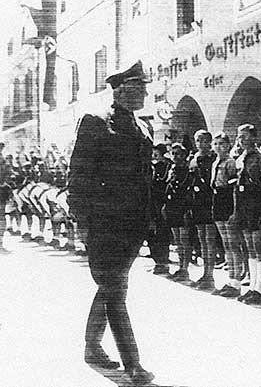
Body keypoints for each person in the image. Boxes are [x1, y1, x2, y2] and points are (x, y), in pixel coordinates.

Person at [68, 61, 155, 385]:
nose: (145, 92)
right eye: (139, 87)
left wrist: (151, 220)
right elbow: (79, 174)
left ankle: (92, 345)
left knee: (112, 287)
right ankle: (133, 364)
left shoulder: (144, 128)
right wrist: (81, 221)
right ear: (120, 89)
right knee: (115, 290)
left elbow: (146, 179)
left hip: (134, 225)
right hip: (104, 222)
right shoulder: (95, 122)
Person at [233, 124, 261, 305]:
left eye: (246, 136)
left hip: (257, 205)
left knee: (259, 247)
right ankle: (253, 287)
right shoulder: (241, 158)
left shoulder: (260, 159)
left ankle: (260, 289)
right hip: (244, 206)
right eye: (240, 137)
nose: (242, 140)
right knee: (250, 247)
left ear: (254, 138)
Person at [210, 132, 241, 297]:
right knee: (226, 244)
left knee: (233, 243)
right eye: (215, 144)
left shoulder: (230, 162)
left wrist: (234, 210)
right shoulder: (216, 162)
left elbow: (233, 186)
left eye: (222, 144)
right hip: (218, 200)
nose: (218, 147)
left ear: (228, 145)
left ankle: (236, 281)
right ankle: (230, 279)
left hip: (227, 199)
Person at [188, 129, 217, 290]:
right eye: (198, 140)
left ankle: (210, 275)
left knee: (210, 239)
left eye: (204, 141)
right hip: (197, 203)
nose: (200, 144)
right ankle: (205, 273)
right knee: (202, 239)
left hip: (209, 201)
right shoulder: (193, 159)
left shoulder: (213, 158)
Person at [163, 143, 193, 282]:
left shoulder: (187, 170)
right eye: (173, 153)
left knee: (184, 238)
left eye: (179, 154)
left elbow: (186, 189)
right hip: (172, 206)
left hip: (182, 206)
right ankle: (180, 267)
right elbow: (168, 187)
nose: (176, 156)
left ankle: (185, 268)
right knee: (177, 240)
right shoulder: (172, 168)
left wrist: (188, 209)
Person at [149, 143, 172, 275]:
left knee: (162, 233)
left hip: (162, 201)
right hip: (152, 202)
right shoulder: (152, 166)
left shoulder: (167, 166)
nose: (155, 156)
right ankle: (157, 261)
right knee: (152, 233)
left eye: (157, 154)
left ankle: (163, 262)